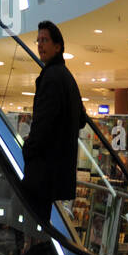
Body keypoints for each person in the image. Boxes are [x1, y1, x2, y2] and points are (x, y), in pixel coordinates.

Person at [21, 20, 86, 228]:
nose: (40, 45)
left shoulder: (51, 77)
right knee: (42, 224)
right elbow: (82, 119)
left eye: (45, 40)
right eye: (38, 40)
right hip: (58, 170)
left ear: (58, 46)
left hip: (43, 171)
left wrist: (28, 148)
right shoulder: (67, 77)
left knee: (32, 224)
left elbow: (43, 124)